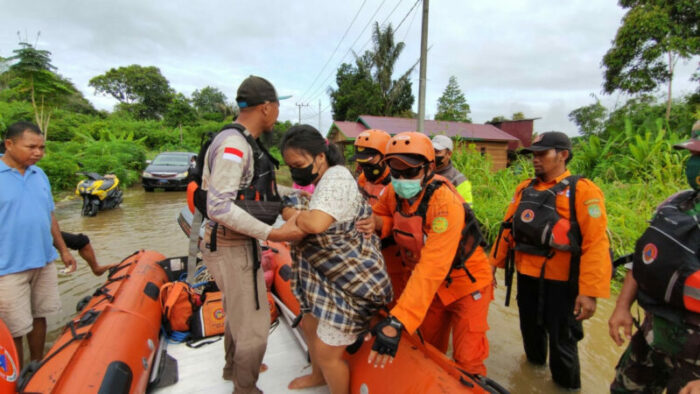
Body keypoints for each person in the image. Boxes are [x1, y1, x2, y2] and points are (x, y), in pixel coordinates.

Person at [200, 75, 300, 394]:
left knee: (238, 312)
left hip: (231, 242)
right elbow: (218, 206)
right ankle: (245, 388)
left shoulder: (242, 141)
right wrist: (273, 233)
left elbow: (252, 192)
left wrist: (293, 201)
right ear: (267, 108)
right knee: (256, 327)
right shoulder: (234, 146)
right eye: (278, 106)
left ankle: (233, 368)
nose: (278, 113)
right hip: (230, 244)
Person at [490, 131, 612, 390]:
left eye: (542, 153)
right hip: (526, 278)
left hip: (562, 285)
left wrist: (590, 292)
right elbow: (507, 229)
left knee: (563, 345)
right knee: (531, 336)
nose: (535, 159)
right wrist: (492, 266)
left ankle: (566, 388)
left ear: (563, 155)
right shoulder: (524, 188)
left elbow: (596, 243)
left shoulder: (583, 191)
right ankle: (532, 380)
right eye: (533, 154)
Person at [365, 131, 493, 376]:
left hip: (466, 284)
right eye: (396, 171)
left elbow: (432, 267)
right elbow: (381, 213)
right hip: (432, 288)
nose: (402, 178)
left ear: (429, 168)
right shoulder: (393, 192)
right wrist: (377, 223)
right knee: (428, 347)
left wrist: (397, 320)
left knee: (468, 358)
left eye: (410, 172)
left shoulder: (445, 204)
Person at [279, 125, 392, 394]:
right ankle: (317, 375)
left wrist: (291, 213)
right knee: (309, 321)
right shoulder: (322, 181)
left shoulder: (338, 178)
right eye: (290, 166)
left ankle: (329, 375)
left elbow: (316, 224)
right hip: (324, 279)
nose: (296, 171)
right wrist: (295, 211)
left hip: (351, 282)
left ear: (320, 156)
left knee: (328, 352)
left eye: (299, 164)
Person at [609, 120, 700, 393]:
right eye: (694, 156)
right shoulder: (677, 202)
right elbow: (645, 255)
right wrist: (622, 306)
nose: (694, 164)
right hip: (651, 335)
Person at [0, 121, 77, 369]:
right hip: (8, 267)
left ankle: (36, 364)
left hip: (43, 260)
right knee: (14, 326)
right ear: (9, 144)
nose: (38, 153)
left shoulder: (39, 174)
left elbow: (50, 215)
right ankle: (16, 374)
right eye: (31, 147)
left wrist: (64, 250)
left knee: (39, 315)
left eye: (42, 147)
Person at [431, 134, 474, 206]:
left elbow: (466, 210)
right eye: (431, 151)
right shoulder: (421, 172)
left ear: (449, 154)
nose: (433, 155)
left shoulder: (459, 180)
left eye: (437, 152)